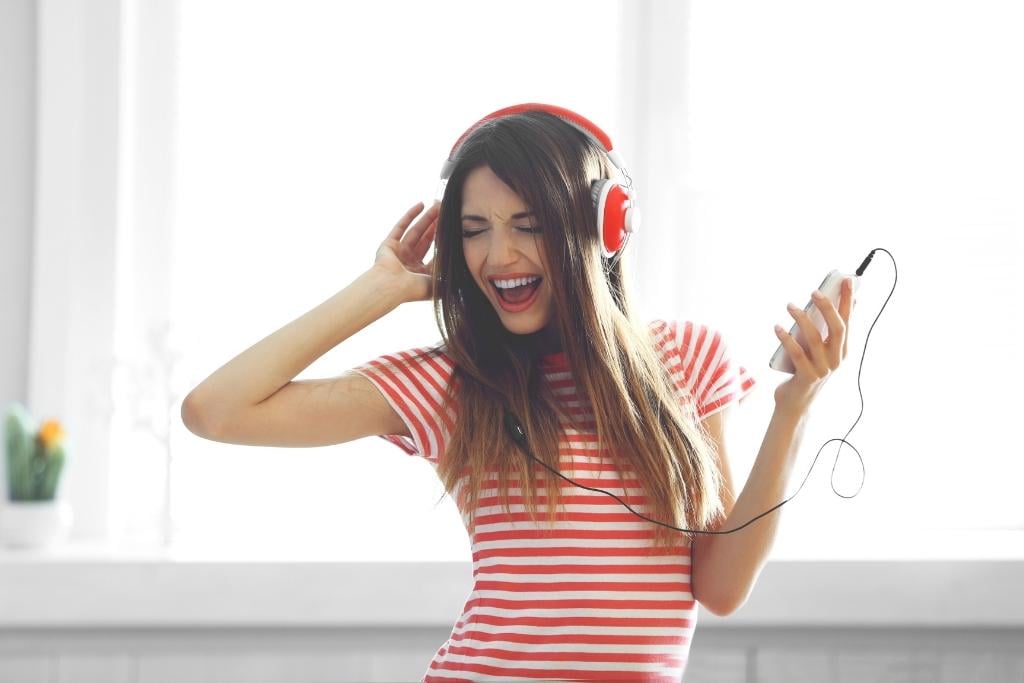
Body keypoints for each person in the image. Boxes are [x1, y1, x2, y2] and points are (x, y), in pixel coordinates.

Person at [182, 104, 855, 682]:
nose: (497, 256)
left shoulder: (688, 360)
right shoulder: (454, 382)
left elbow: (721, 585)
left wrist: (794, 410)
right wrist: (378, 290)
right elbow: (215, 410)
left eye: (527, 224)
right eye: (475, 230)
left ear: (601, 227)